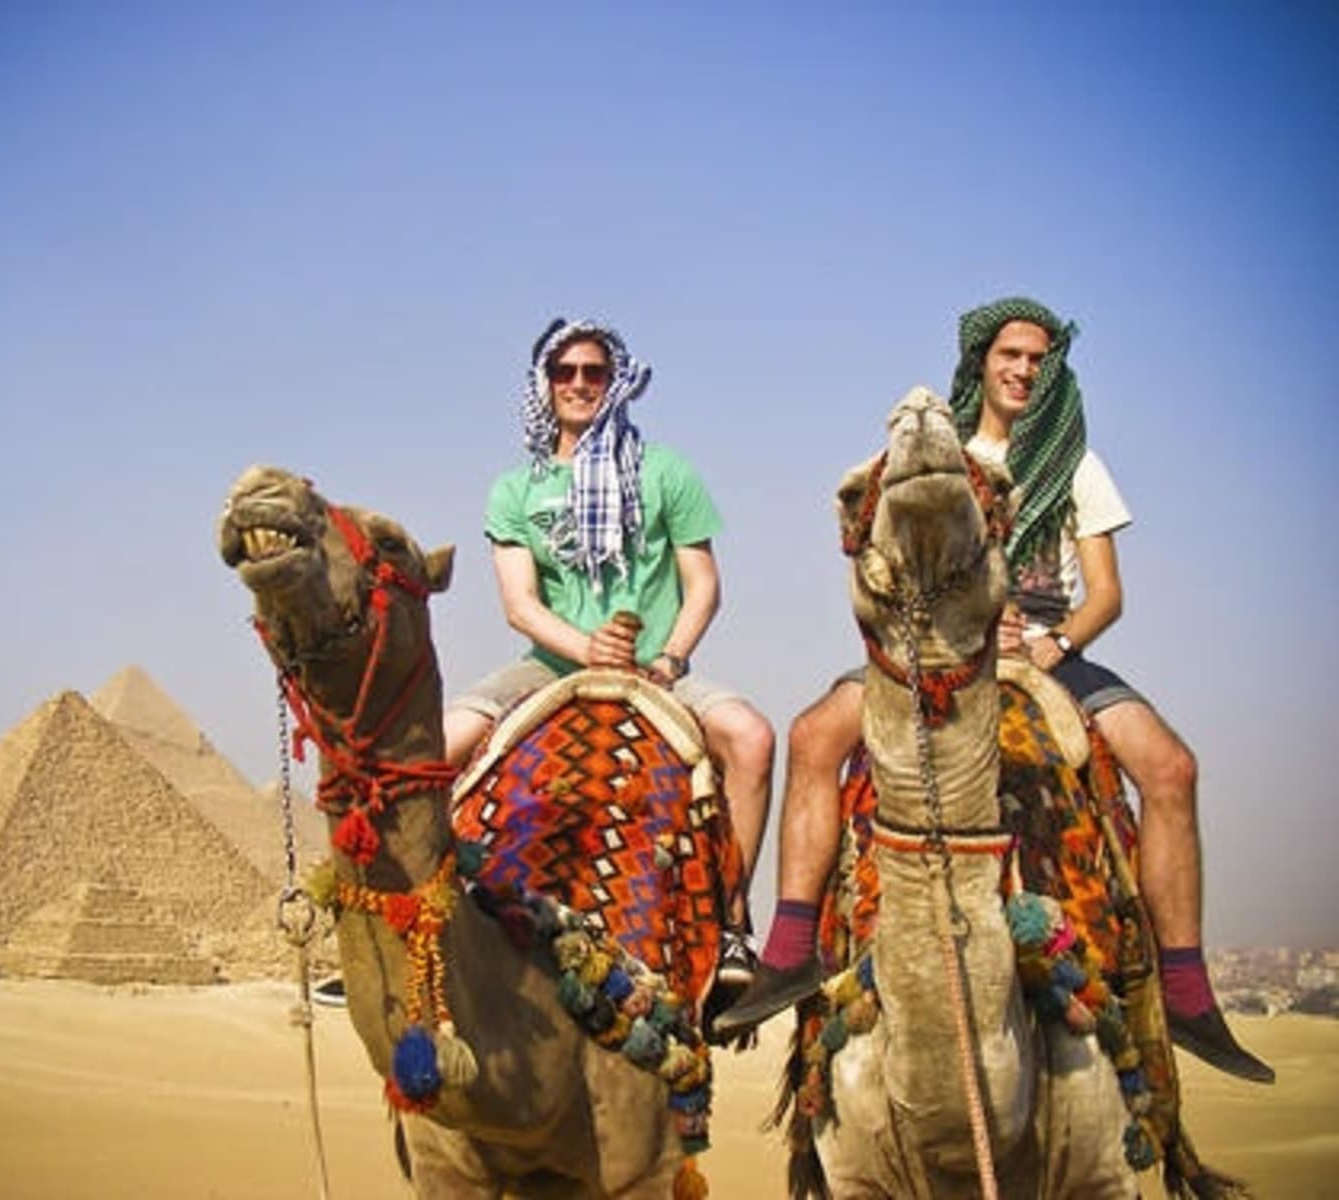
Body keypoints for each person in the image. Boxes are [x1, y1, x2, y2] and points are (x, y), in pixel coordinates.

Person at [715, 297, 1273, 1085]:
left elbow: (1106, 593)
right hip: (941, 644)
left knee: (1171, 768)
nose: (1022, 370)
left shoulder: (1077, 466)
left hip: (1049, 647)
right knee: (811, 737)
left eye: (1038, 360)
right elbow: (880, 563)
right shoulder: (946, 463)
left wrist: (1055, 643)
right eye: (1009, 355)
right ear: (982, 361)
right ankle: (787, 950)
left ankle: (1185, 988)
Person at [443, 317, 776, 988]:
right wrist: (589, 649)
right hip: (549, 666)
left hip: (656, 666)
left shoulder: (666, 472)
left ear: (615, 380)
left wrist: (669, 660)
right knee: (436, 746)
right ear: (543, 384)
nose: (578, 385)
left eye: (593, 372)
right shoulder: (516, 490)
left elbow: (702, 586)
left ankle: (734, 923)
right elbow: (521, 604)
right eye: (563, 373)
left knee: (752, 738)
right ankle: (423, 921)